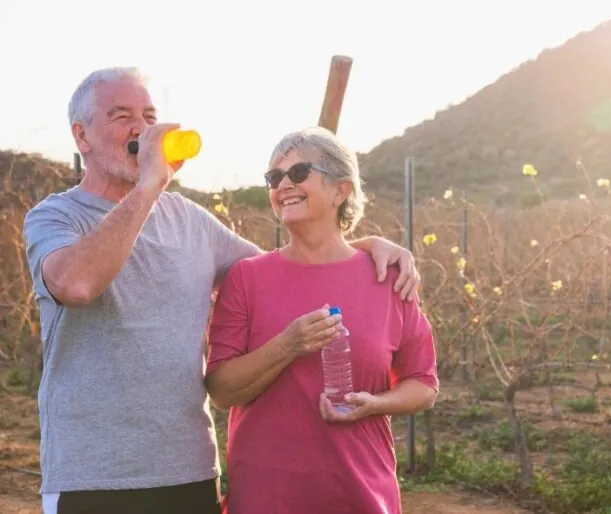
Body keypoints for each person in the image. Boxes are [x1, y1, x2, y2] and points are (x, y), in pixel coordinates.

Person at [22, 67, 422, 514]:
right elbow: (77, 284)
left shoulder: (191, 222)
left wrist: (362, 248)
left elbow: (294, 268)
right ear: (82, 136)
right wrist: (150, 185)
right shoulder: (56, 218)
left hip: (189, 472)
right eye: (121, 115)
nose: (141, 128)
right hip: (93, 477)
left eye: (149, 115)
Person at [205, 126, 439, 514]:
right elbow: (222, 391)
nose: (283, 186)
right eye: (273, 178)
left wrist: (375, 404)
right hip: (267, 498)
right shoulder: (247, 278)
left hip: (360, 495)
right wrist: (289, 345)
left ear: (341, 190)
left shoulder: (388, 277)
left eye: (298, 174)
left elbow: (424, 384)